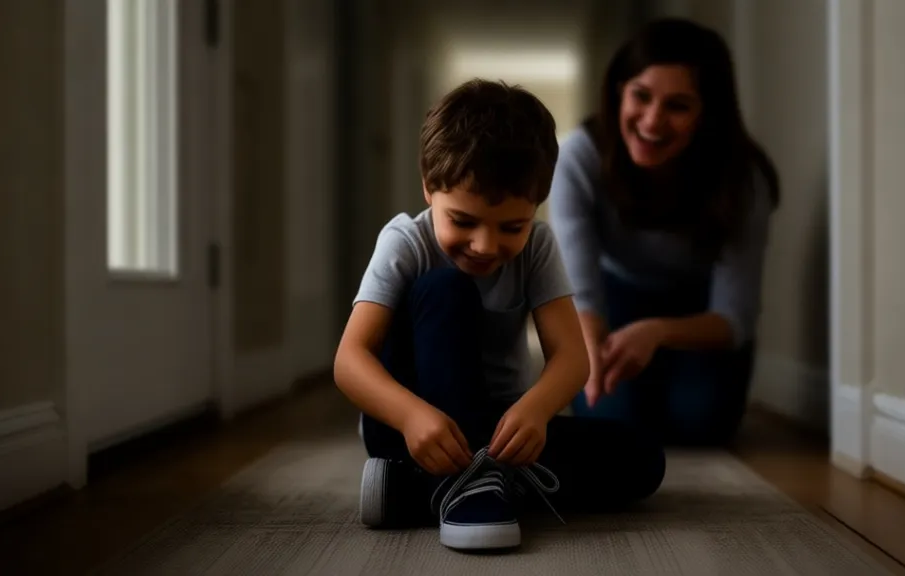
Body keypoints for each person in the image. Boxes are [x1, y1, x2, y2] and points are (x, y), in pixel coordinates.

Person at [332, 79, 665, 553]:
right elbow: (350, 361)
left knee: (642, 458)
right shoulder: (404, 242)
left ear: (536, 207)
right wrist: (410, 416)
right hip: (414, 428)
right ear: (428, 186)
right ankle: (471, 485)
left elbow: (572, 357)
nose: (486, 245)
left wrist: (537, 409)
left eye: (512, 226)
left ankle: (415, 489)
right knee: (446, 287)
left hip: (499, 428)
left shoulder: (539, 247)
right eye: (463, 221)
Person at [548, 18, 780, 446]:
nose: (653, 121)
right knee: (612, 424)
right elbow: (581, 293)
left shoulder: (743, 179)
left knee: (700, 422)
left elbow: (734, 316)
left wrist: (655, 331)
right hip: (612, 298)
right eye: (641, 96)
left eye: (678, 106)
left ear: (707, 114)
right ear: (619, 90)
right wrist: (590, 357)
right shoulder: (579, 157)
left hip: (700, 314)